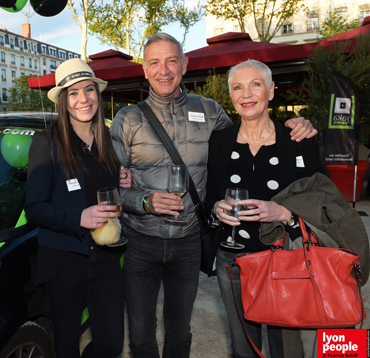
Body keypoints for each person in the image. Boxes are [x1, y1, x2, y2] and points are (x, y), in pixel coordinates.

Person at [109, 33, 317, 358]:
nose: (164, 70)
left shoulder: (209, 111)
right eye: (154, 63)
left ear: (184, 65)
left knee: (180, 332)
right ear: (145, 70)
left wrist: (295, 127)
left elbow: (250, 131)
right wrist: (144, 202)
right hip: (141, 242)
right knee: (139, 334)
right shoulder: (127, 119)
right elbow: (112, 188)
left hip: (190, 242)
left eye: (171, 61)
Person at [205, 59, 325, 358]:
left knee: (288, 345)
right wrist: (216, 207)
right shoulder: (219, 141)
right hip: (232, 260)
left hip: (285, 259)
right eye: (237, 87)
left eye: (255, 84)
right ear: (231, 97)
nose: (246, 94)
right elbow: (209, 195)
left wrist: (284, 214)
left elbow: (324, 200)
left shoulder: (299, 140)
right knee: (244, 345)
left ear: (271, 91)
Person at [25, 58, 130, 358]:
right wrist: (78, 217)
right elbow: (34, 208)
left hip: (107, 255)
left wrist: (122, 176)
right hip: (65, 260)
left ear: (98, 93)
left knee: (111, 344)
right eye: (73, 93)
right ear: (63, 100)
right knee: (67, 341)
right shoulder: (46, 142)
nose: (83, 99)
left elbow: (105, 184)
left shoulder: (106, 139)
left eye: (89, 90)